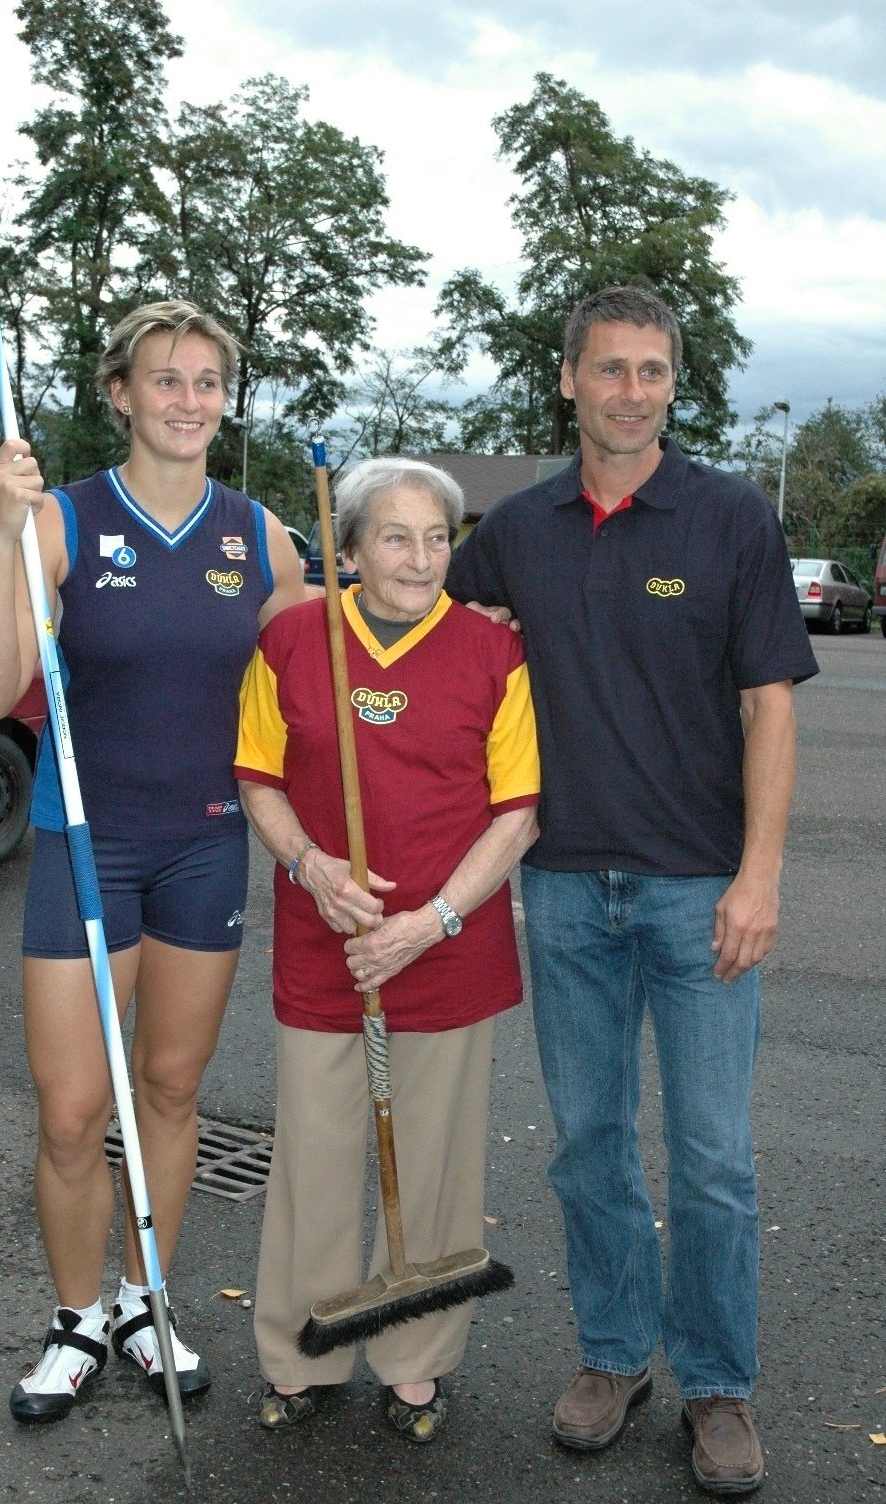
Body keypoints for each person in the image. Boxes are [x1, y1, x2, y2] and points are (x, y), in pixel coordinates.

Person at [446, 285, 818, 1495]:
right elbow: (416, 619)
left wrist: (759, 875)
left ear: (672, 381)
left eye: (651, 371)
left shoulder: (728, 520)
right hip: (561, 889)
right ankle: (614, 1355)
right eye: (609, 369)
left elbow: (771, 705)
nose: (630, 391)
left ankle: (716, 1384)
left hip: (698, 886)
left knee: (712, 1155)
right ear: (568, 379)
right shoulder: (518, 529)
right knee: (589, 1143)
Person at [0, 299, 305, 1424]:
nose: (188, 400)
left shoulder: (261, 537)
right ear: (121, 393)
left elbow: (318, 689)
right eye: (165, 379)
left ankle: (149, 1300)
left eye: (207, 380)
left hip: (205, 845)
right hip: (85, 843)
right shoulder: (59, 519)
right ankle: (76, 1319)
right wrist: (3, 529)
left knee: (169, 1086)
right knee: (69, 1110)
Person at [234, 457, 540, 1443]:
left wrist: (430, 920)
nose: (419, 557)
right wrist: (312, 865)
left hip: (448, 949)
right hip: (330, 949)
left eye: (438, 537)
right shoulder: (289, 640)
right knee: (316, 1157)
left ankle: (415, 1357)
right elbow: (259, 780)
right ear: (352, 545)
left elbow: (517, 813)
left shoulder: (493, 654)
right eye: (396, 536)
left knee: (439, 1163)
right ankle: (301, 1350)